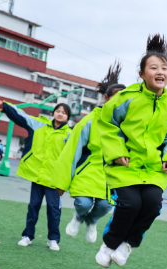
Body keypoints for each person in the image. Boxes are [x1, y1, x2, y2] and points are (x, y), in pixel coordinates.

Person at [95, 34, 167, 268]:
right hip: (125, 167)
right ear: (142, 74)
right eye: (153, 67)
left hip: (154, 169)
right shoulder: (126, 98)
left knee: (153, 205)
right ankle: (109, 244)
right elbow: (107, 124)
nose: (160, 72)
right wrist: (116, 152)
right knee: (130, 205)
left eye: (164, 68)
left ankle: (128, 245)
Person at [52, 62, 126, 244]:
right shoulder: (90, 120)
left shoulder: (127, 124)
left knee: (105, 205)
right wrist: (62, 182)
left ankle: (92, 221)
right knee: (83, 203)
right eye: (116, 97)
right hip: (87, 171)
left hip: (110, 176)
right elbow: (72, 151)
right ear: (106, 98)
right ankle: (79, 216)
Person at [0, 99, 72, 251]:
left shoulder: (71, 135)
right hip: (37, 176)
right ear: (53, 113)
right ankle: (27, 236)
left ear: (68, 117)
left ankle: (53, 239)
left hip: (55, 180)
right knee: (33, 207)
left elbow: (72, 159)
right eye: (58, 111)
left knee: (54, 210)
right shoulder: (39, 124)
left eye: (64, 112)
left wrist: (65, 183)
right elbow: (21, 116)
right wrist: (5, 106)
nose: (60, 114)